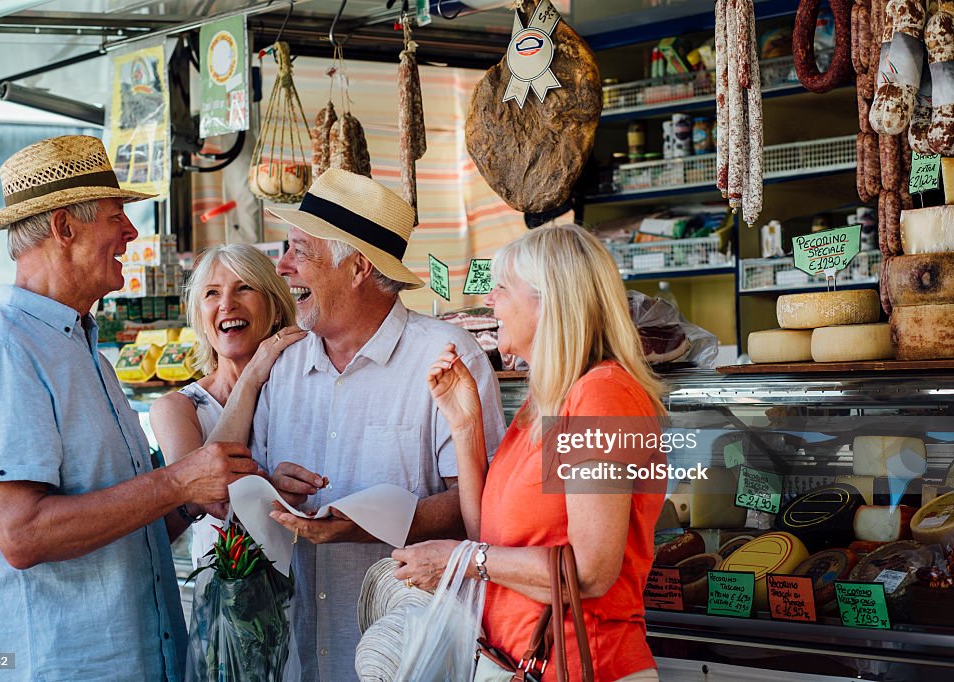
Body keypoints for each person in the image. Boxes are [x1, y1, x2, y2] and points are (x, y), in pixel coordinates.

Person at [0, 135, 258, 681]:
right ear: (65, 227)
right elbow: (24, 534)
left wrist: (211, 494)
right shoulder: (5, 353)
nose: (131, 232)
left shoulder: (82, 350)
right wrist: (179, 482)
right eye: (117, 216)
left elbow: (124, 526)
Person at [214, 168, 507, 681]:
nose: (282, 267)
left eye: (301, 251)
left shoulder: (445, 355)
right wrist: (271, 489)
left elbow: (484, 512)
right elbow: (237, 488)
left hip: (413, 658)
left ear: (358, 268)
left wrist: (371, 524)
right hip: (303, 652)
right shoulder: (283, 368)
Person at [394, 224, 666, 681]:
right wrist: (465, 425)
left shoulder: (601, 396)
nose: (490, 301)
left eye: (502, 288)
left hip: (586, 665)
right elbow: (490, 537)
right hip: (520, 664)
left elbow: (590, 572)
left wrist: (458, 559)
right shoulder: (543, 403)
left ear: (548, 302)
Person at [150, 243, 306, 568]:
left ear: (276, 309)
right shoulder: (177, 409)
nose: (226, 304)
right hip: (229, 600)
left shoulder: (303, 389)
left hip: (309, 580)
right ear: (200, 318)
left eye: (244, 288)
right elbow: (209, 493)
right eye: (211, 293)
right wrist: (250, 378)